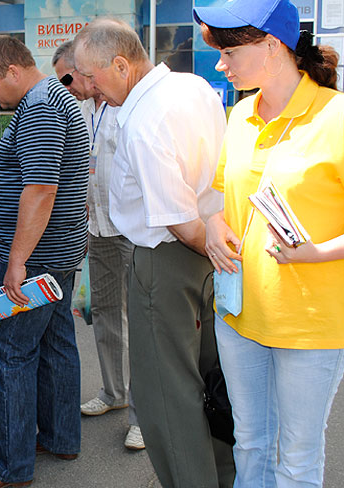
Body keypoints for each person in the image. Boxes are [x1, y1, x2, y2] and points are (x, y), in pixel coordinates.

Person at [194, 0, 344, 486]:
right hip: (241, 313)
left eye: (228, 50)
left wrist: (315, 253)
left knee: (296, 458)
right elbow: (223, 197)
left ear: (271, 46)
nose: (220, 63)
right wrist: (211, 223)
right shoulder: (243, 112)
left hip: (314, 323)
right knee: (249, 441)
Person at [74, 19, 235, 488]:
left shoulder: (145, 121)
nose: (86, 88)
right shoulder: (195, 87)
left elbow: (180, 222)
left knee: (166, 393)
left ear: (121, 65)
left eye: (90, 76)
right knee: (211, 379)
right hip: (208, 252)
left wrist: (212, 247)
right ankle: (223, 475)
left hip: (170, 258)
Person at [0, 35, 89, 488]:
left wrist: (16, 261)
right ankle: (60, 436)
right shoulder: (55, 98)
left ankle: (8, 468)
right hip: (57, 254)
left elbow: (41, 188)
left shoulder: (40, 105)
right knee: (56, 346)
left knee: (9, 351)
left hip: (37, 261)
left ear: (13, 71)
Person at [52, 40, 144, 451]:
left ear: (87, 69)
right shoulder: (82, 108)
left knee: (142, 323)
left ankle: (143, 415)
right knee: (105, 314)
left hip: (133, 230)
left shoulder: (130, 104)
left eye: (68, 78)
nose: (65, 86)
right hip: (98, 228)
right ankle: (113, 392)